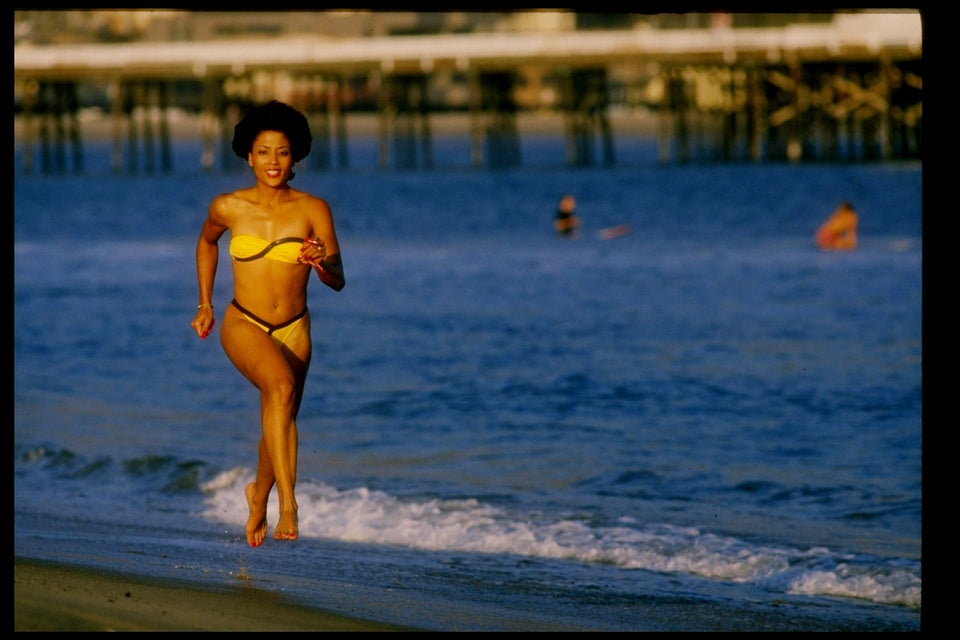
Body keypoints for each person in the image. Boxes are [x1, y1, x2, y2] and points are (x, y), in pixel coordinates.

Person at [190, 100, 345, 547]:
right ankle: (289, 503)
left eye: (281, 152)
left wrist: (321, 265)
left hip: (296, 327)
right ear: (248, 156)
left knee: (278, 416)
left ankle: (258, 495)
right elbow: (206, 243)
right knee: (280, 391)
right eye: (263, 152)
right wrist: (205, 303)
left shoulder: (314, 209)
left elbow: (338, 279)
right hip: (244, 321)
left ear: (294, 156)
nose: (272, 161)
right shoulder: (228, 206)